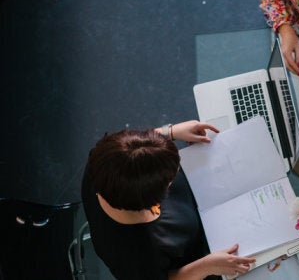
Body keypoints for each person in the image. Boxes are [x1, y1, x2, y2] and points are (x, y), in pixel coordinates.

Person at [81, 120, 256, 279]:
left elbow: (131, 150)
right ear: (152, 201)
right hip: (209, 257)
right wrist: (206, 266)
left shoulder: (101, 163)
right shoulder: (136, 255)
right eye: (170, 179)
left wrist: (170, 132)